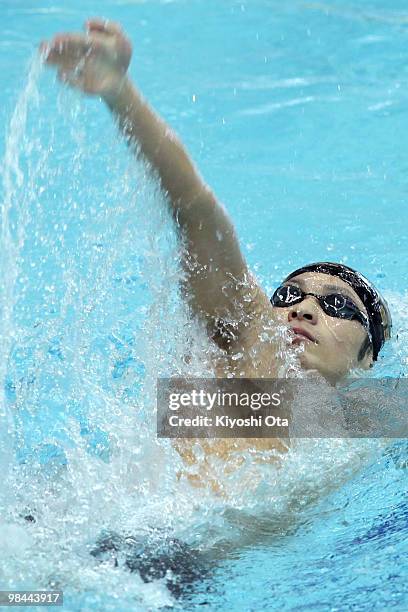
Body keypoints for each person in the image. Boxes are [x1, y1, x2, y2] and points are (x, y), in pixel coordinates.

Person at [40, 19, 392, 476]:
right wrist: (119, 94)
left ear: (368, 358)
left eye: (336, 305)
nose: (304, 308)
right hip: (134, 544)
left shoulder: (354, 422)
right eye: (289, 294)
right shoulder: (256, 353)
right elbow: (197, 213)